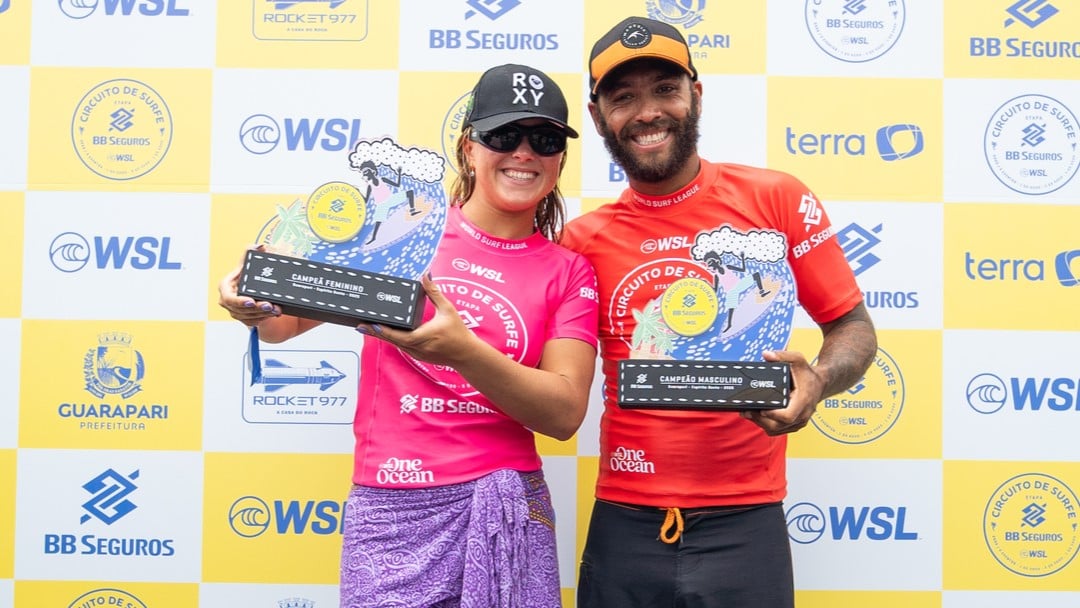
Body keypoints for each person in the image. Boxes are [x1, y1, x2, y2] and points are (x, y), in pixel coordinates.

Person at [218, 63, 599, 608]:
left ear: (560, 159)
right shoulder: (400, 230)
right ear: (469, 148)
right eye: (503, 135)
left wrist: (464, 352)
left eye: (543, 139)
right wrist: (249, 299)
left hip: (506, 507)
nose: (523, 152)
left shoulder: (568, 271)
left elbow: (563, 415)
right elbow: (282, 324)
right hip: (393, 509)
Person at [561, 16, 878, 608]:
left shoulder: (775, 199)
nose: (648, 111)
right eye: (623, 97)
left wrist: (819, 379)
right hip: (623, 521)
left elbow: (852, 327)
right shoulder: (580, 241)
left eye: (665, 89)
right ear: (599, 116)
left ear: (696, 95)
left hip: (746, 521)